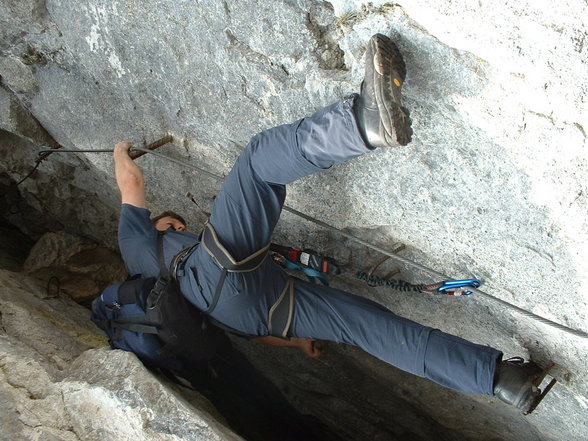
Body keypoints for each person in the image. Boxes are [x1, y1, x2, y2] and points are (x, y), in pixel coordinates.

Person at [114, 33, 547, 413]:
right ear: (158, 228)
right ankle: (363, 123)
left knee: (370, 329)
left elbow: (255, 335)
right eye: (171, 225)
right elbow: (130, 182)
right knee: (257, 164)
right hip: (220, 276)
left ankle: (503, 382)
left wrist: (299, 341)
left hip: (255, 317)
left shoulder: (170, 303)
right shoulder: (137, 242)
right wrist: (118, 151)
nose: (177, 226)